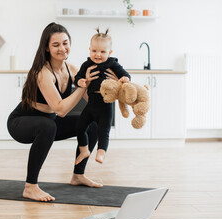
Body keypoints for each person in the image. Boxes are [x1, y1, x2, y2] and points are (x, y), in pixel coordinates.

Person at [7, 23, 118, 202]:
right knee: (48, 125)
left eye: (65, 43)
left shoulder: (72, 69)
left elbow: (93, 102)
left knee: (92, 122)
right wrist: (84, 86)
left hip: (49, 122)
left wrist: (111, 86)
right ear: (47, 47)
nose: (62, 48)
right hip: (21, 122)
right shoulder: (43, 73)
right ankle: (30, 187)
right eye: (56, 45)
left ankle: (78, 175)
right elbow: (60, 109)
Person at [74, 28, 131, 165]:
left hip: (106, 105)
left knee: (103, 131)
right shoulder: (87, 64)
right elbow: (77, 77)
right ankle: (84, 150)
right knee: (80, 127)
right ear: (89, 50)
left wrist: (124, 78)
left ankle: (101, 152)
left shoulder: (112, 64)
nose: (98, 55)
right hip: (91, 104)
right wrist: (80, 81)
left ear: (109, 52)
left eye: (102, 52)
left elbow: (125, 74)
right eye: (94, 51)